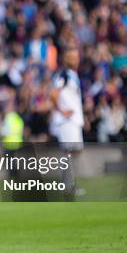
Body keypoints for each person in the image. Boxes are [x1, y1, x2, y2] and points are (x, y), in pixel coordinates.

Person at [49, 47, 84, 197]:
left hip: (74, 121)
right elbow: (54, 93)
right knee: (68, 152)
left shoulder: (73, 75)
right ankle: (68, 186)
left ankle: (68, 184)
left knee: (74, 152)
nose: (76, 60)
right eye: (73, 57)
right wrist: (61, 110)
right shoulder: (64, 75)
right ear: (67, 59)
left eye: (77, 57)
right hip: (66, 121)